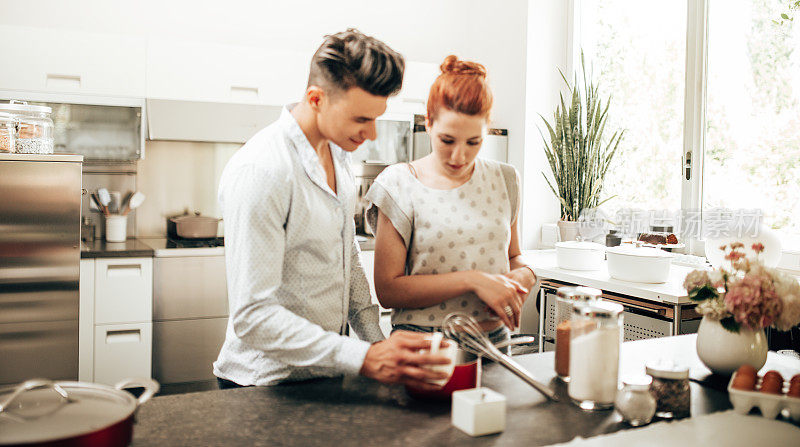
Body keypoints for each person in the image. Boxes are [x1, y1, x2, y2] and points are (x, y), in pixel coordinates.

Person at [213, 29, 449, 390]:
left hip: (323, 375)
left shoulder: (337, 157)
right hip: (263, 386)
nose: (371, 134)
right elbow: (252, 317)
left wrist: (378, 345)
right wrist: (364, 358)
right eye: (360, 119)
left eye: (376, 119)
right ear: (316, 99)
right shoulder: (263, 170)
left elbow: (347, 262)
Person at [366, 55, 537, 348]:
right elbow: (388, 290)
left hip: (495, 343)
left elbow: (513, 257)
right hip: (423, 347)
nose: (460, 157)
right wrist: (473, 280)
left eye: (474, 142)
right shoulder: (398, 184)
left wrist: (526, 274)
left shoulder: (506, 180)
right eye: (447, 140)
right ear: (428, 123)